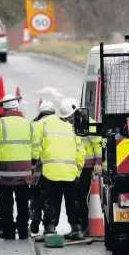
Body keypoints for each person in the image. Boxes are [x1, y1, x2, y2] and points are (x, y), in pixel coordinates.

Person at [0, 94, 40, 240]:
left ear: (4, 108)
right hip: (24, 173)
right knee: (22, 203)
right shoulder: (28, 124)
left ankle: (8, 231)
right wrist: (32, 163)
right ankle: (23, 232)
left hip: (4, 174)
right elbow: (36, 147)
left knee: (6, 204)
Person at [36, 104, 85, 239]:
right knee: (72, 203)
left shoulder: (44, 123)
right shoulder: (72, 129)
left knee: (51, 202)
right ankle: (77, 230)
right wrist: (78, 172)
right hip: (70, 173)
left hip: (50, 172)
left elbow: (35, 142)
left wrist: (38, 159)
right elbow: (81, 152)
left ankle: (49, 230)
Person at [59, 98, 102, 238]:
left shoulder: (89, 124)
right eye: (66, 118)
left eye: (70, 117)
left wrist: (98, 163)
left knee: (81, 197)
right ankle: (76, 228)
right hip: (73, 168)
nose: (69, 120)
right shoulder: (68, 126)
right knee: (73, 198)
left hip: (86, 167)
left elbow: (97, 144)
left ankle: (83, 227)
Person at [29, 100, 56, 235]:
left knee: (36, 197)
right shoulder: (57, 125)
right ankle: (49, 225)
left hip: (35, 170)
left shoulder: (33, 125)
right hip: (51, 169)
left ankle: (34, 220)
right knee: (50, 198)